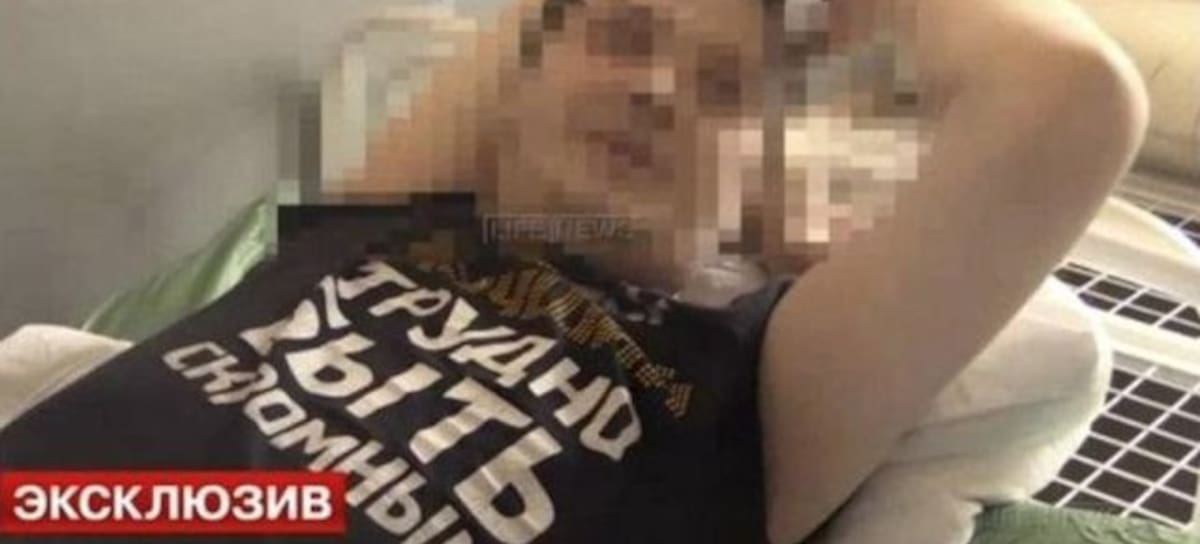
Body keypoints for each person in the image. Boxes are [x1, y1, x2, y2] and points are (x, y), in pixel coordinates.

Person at [0, 0, 1147, 543]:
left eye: (727, 90)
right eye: (627, 31)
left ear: (801, 209)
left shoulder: (757, 394)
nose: (654, 88)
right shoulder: (380, 224)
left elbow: (1071, 98)